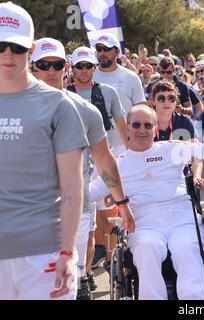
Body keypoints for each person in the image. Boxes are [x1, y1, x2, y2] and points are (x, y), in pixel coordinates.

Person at [30, 37, 135, 300]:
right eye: (44, 65)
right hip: (26, 214)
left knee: (64, 288)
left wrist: (122, 203)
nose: (51, 71)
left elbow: (104, 159)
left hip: (73, 211)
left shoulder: (87, 111)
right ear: (34, 68)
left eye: (56, 65)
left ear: (66, 67)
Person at [0, 2, 87, 300]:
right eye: (0, 45)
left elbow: (73, 189)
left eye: (17, 46)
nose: (8, 54)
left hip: (43, 254)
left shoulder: (58, 105)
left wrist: (67, 250)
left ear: (31, 49)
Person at [90, 105, 204, 300]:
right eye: (136, 125)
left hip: (182, 218)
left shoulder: (172, 148)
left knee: (186, 247)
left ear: (155, 128)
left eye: (148, 125)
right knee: (147, 247)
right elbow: (90, 192)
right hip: (144, 222)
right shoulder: (118, 163)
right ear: (127, 128)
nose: (142, 130)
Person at [93, 33, 146, 155]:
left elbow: (141, 111)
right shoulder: (90, 76)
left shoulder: (131, 77)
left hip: (125, 145)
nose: (102, 53)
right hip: (95, 145)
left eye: (106, 49)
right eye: (99, 49)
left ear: (117, 52)